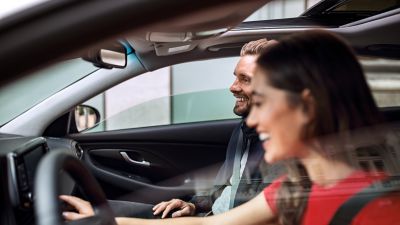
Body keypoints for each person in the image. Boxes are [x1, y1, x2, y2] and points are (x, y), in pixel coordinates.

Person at [118, 30, 400, 225]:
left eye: (263, 102)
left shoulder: (381, 210)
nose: (251, 121)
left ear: (306, 106)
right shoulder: (289, 191)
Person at [60, 38, 283, 220]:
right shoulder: (243, 130)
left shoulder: (285, 156)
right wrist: (193, 205)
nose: (232, 87)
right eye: (235, 76)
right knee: (86, 210)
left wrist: (108, 221)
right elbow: (225, 187)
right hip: (209, 217)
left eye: (245, 79)